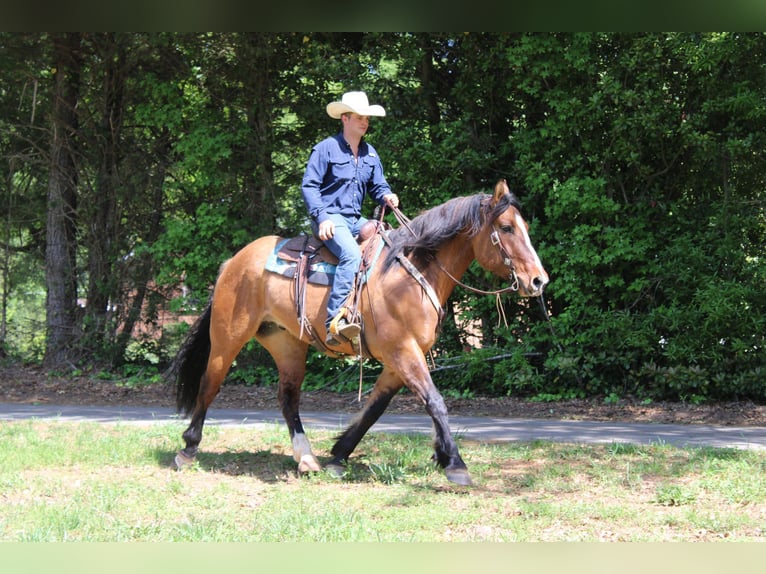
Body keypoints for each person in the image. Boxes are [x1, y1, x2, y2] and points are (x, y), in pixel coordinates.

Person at [301, 91, 399, 346]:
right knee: (352, 255)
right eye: (358, 117)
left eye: (366, 117)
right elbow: (309, 186)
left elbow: (378, 186)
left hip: (354, 219)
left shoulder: (370, 153)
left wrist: (387, 195)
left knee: (388, 243)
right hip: (330, 217)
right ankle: (334, 323)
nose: (364, 122)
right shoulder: (326, 148)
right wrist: (322, 217)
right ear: (344, 118)